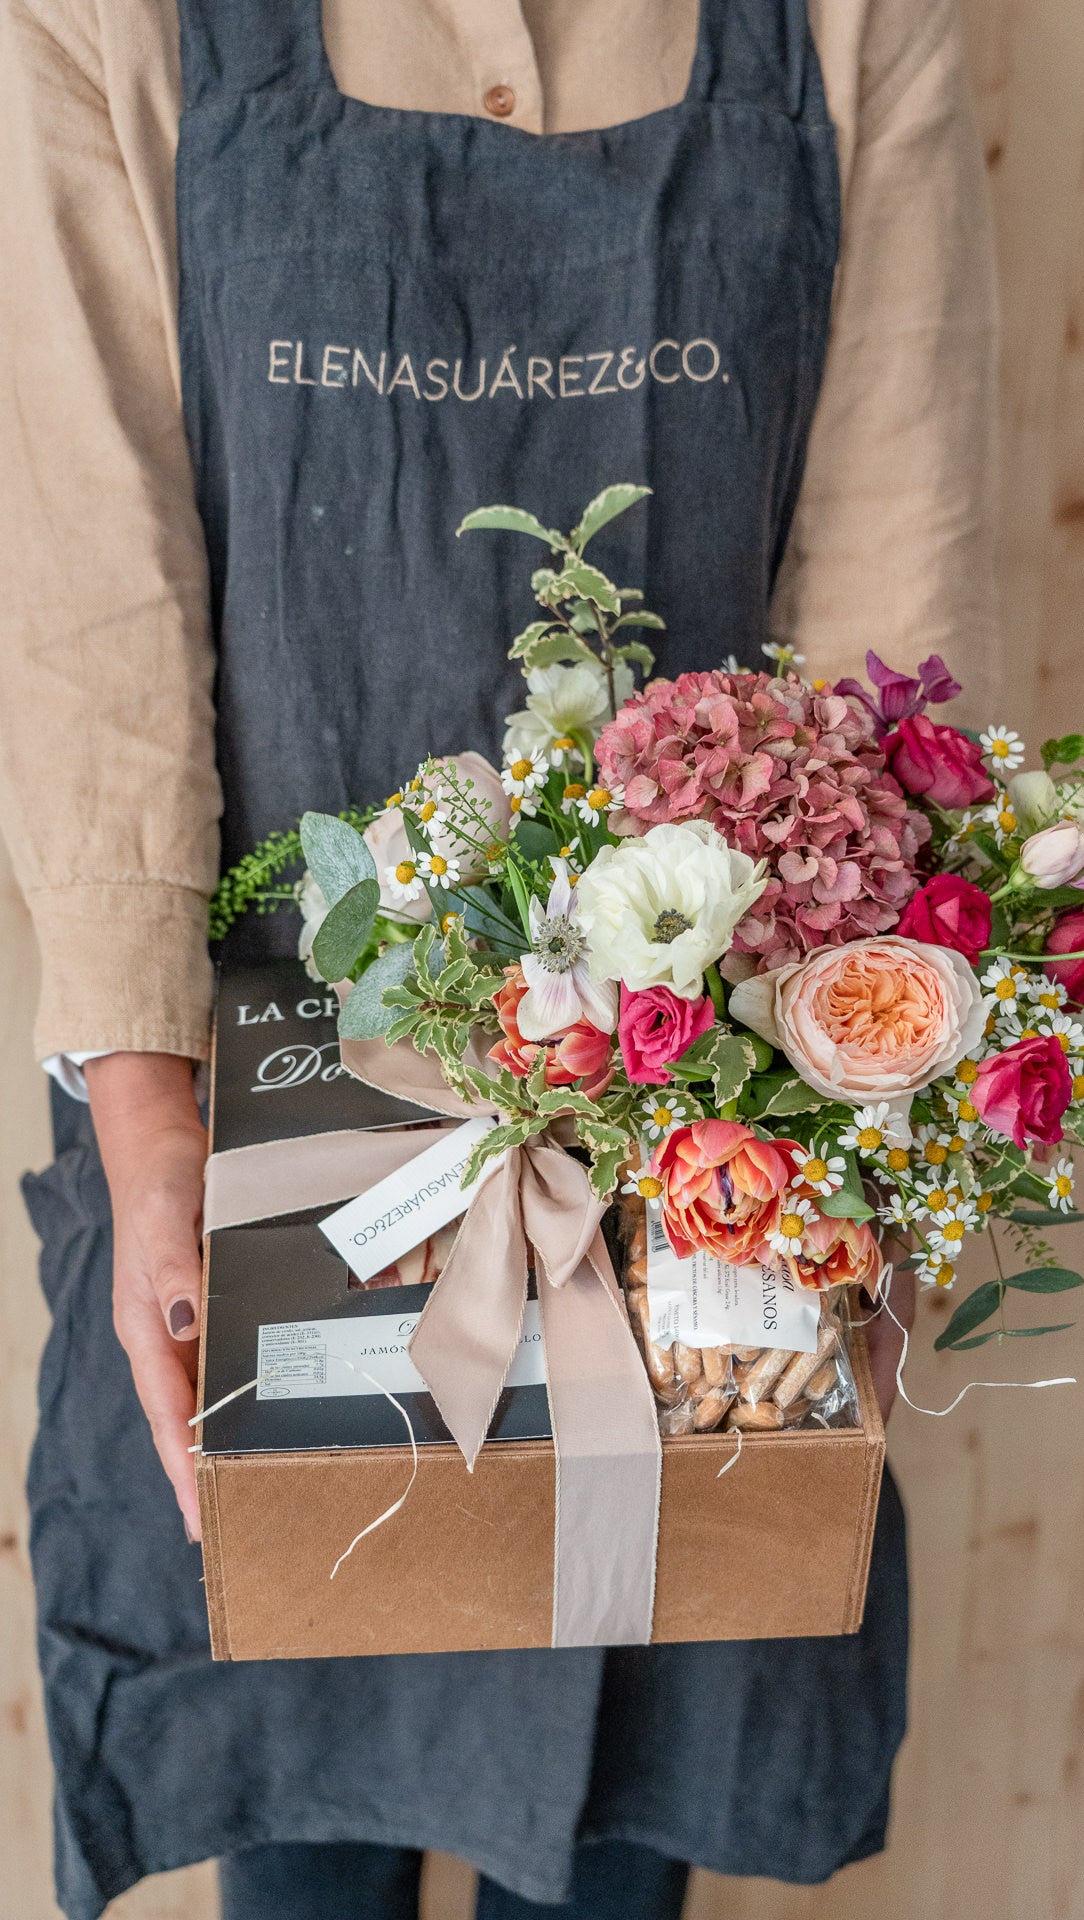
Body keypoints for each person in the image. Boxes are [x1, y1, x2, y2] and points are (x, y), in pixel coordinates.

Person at [0, 1, 998, 1916]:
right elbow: (86, 590)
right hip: (248, 1137)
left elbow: (903, 579)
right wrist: (142, 1132)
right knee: (296, 1797)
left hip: (713, 1138)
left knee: (626, 1817)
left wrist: (874, 1120)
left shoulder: (850, 28)